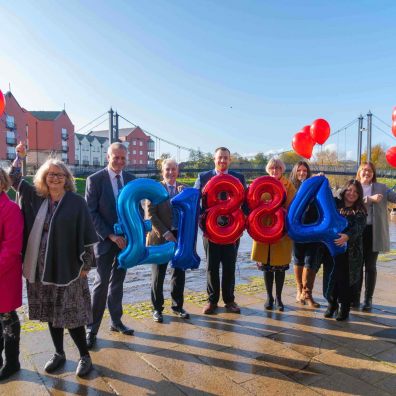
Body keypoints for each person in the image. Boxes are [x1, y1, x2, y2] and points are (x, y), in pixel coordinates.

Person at [10, 143, 98, 377]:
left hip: (69, 267)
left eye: (60, 174)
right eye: (51, 174)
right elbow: (13, 177)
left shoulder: (76, 202)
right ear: (44, 177)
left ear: (66, 178)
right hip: (40, 268)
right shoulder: (35, 197)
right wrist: (20, 156)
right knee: (50, 312)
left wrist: (87, 264)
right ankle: (59, 353)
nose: (55, 178)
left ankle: (84, 356)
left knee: (72, 314)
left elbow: (87, 234)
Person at [85, 142, 135, 349]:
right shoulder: (94, 180)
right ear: (108, 157)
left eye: (123, 158)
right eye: (116, 157)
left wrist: (135, 234)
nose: (120, 162)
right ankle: (92, 328)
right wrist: (112, 236)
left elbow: (135, 210)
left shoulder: (131, 180)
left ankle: (116, 321)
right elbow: (91, 212)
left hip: (127, 242)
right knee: (101, 284)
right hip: (105, 241)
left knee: (118, 283)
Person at [194, 147, 247, 314]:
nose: (222, 161)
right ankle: (212, 301)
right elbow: (195, 202)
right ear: (214, 159)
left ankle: (229, 301)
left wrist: (245, 223)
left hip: (232, 230)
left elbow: (245, 204)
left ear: (230, 160)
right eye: (220, 158)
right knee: (211, 266)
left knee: (230, 266)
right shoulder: (203, 177)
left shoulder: (238, 178)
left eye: (226, 158)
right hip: (211, 231)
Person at [146, 159, 190, 323]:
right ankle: (157, 309)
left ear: (177, 171)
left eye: (173, 169)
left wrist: (183, 195)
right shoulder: (155, 189)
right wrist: (165, 233)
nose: (170, 172)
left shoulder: (184, 189)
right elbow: (150, 215)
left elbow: (190, 210)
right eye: (167, 169)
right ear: (162, 171)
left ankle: (177, 306)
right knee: (158, 274)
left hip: (179, 236)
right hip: (160, 237)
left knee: (179, 272)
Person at [251, 157, 296, 311]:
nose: (275, 170)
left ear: (282, 170)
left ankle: (279, 298)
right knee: (267, 266)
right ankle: (269, 297)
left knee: (280, 267)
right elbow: (253, 203)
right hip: (262, 229)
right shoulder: (260, 183)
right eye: (272, 168)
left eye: (277, 168)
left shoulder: (288, 185)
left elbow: (292, 206)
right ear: (268, 170)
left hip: (281, 231)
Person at [354, 162, 396, 310]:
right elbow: (347, 203)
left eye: (370, 171)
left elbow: (395, 198)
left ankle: (368, 299)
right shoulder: (353, 187)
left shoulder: (381, 188)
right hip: (356, 232)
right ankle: (355, 298)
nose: (367, 173)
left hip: (373, 231)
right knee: (357, 265)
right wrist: (369, 199)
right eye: (364, 170)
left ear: (373, 174)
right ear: (359, 172)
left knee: (370, 266)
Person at [324, 179, 366, 321]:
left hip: (350, 253)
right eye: (349, 190)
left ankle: (345, 308)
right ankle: (332, 304)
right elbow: (325, 197)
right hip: (333, 250)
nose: (351, 193)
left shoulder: (360, 210)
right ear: (344, 190)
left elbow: (358, 228)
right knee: (332, 278)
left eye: (355, 191)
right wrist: (323, 180)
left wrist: (347, 236)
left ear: (359, 194)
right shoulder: (335, 204)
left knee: (345, 280)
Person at [0, 168, 23, 380]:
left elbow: (13, 247)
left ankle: (12, 362)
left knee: (7, 317)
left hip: (4, 275)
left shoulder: (10, 209)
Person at [289, 161, 322, 308]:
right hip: (296, 230)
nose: (302, 173)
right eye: (299, 170)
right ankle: (299, 290)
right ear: (295, 172)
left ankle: (307, 293)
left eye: (304, 170)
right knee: (298, 259)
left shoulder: (314, 185)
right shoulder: (291, 188)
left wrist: (320, 178)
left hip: (313, 227)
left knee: (311, 261)